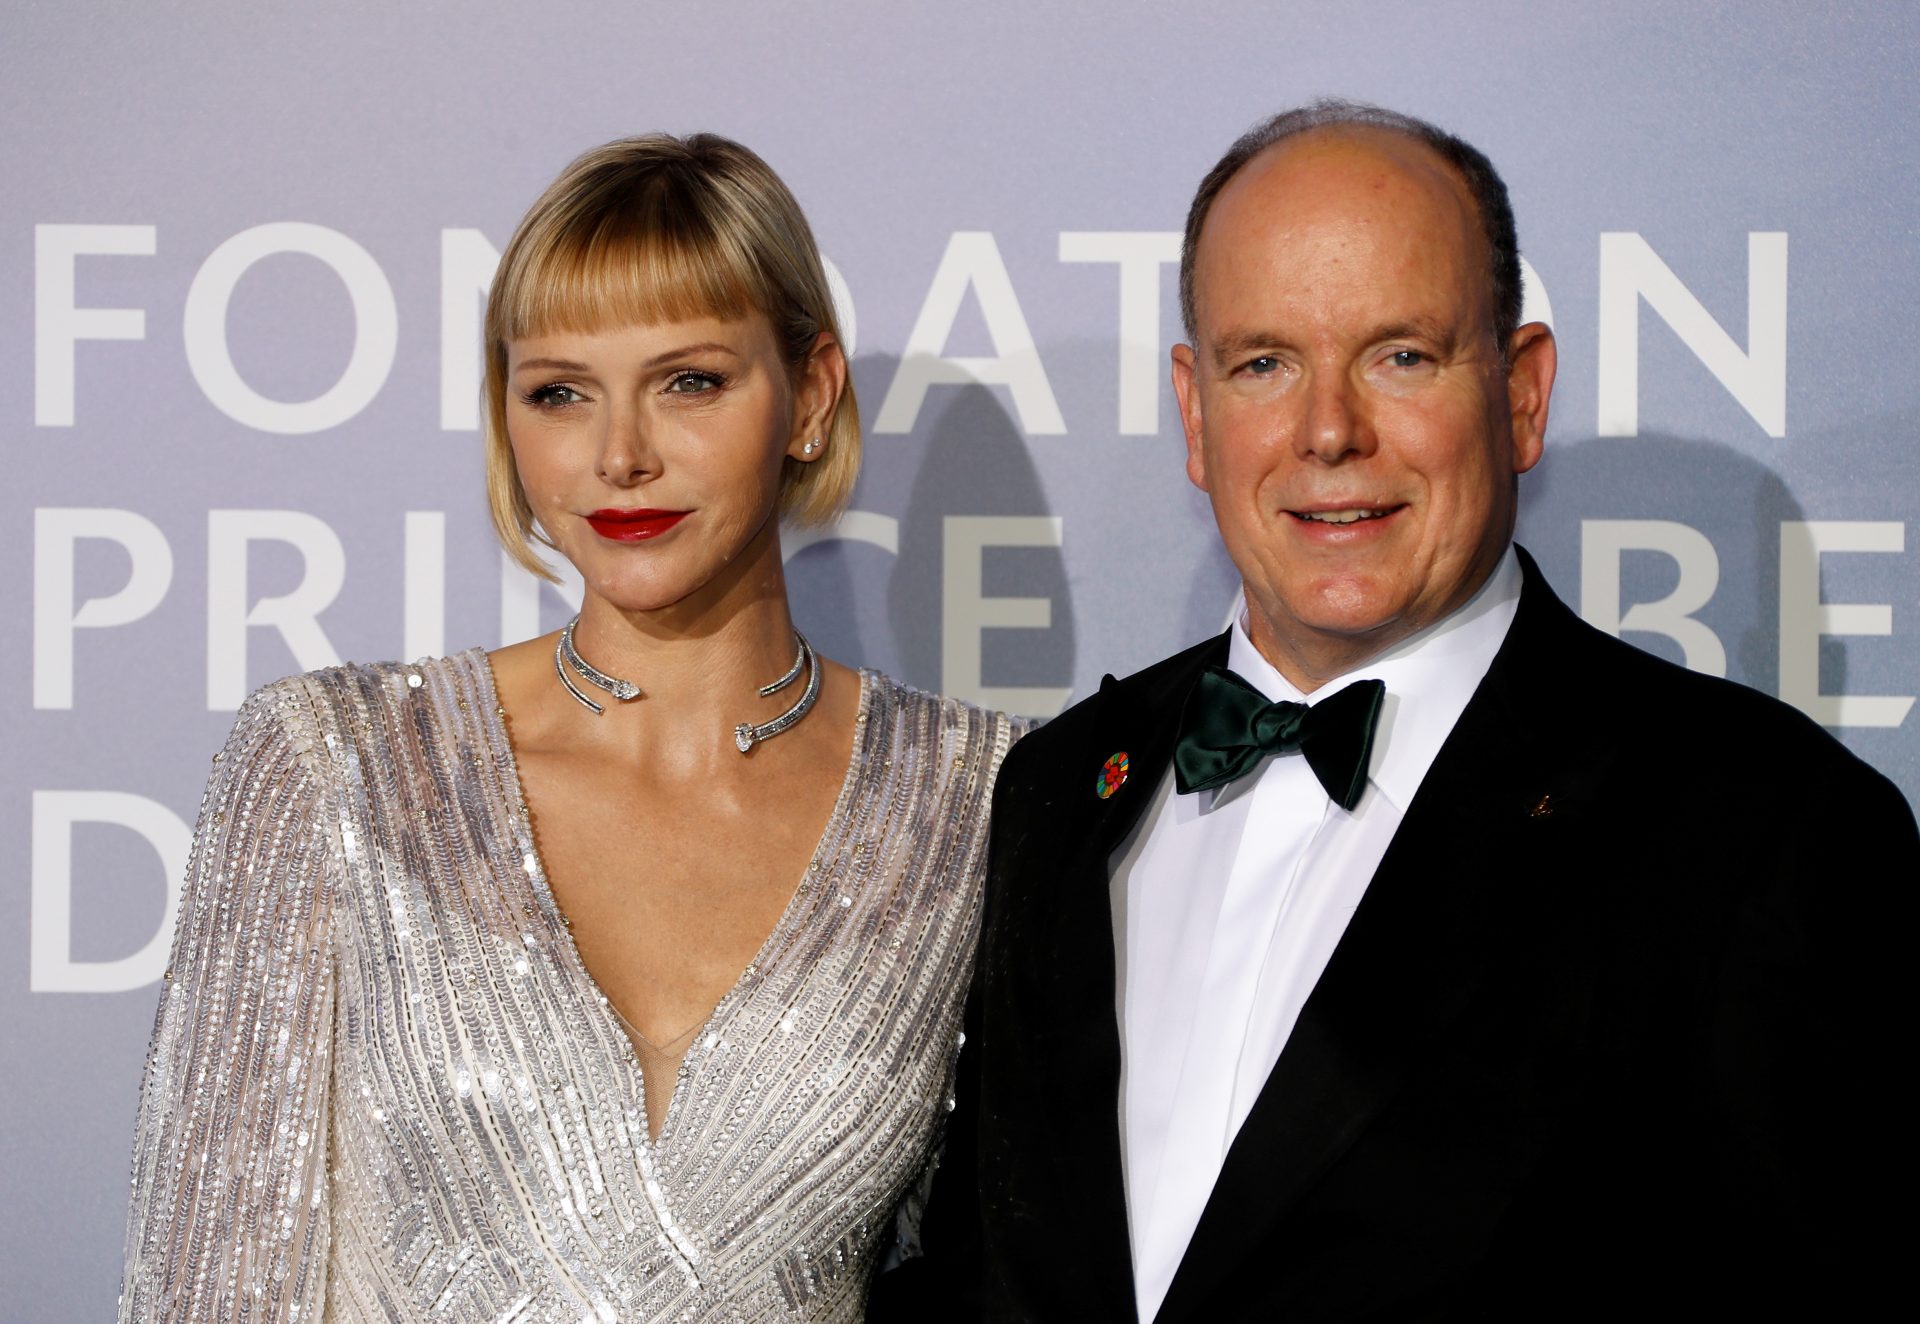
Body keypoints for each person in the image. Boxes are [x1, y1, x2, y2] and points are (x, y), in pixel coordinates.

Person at [883, 100, 1918, 1321]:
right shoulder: (1060, 788)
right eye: (1264, 362)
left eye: (1402, 356)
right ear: (1195, 412)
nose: (1330, 431)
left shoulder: (1756, 829)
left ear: (1523, 395)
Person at [120, 134, 1023, 1322]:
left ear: (809, 393)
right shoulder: (335, 769)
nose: (620, 456)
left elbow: (998, 1268)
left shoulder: (979, 798)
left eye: (689, 381)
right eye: (559, 392)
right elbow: (208, 1282)